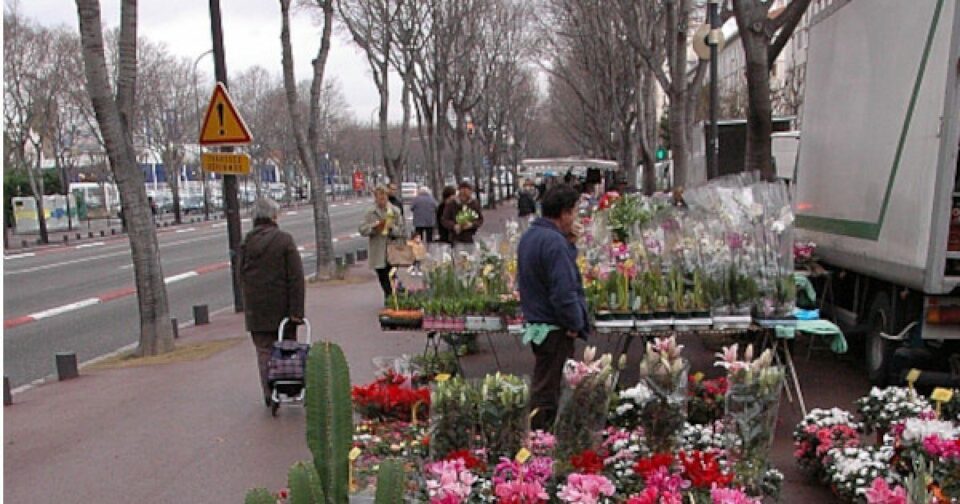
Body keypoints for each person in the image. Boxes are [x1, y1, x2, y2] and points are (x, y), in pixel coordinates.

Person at [516, 184, 589, 430]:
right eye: (574, 212)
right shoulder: (553, 243)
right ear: (564, 213)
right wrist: (574, 323)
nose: (575, 219)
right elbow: (563, 291)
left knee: (545, 380)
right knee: (550, 388)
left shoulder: (531, 237)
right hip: (554, 327)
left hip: (538, 323)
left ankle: (539, 434)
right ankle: (541, 437)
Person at [237, 197, 305, 406]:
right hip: (283, 308)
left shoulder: (247, 242)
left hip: (257, 310)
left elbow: (241, 275)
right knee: (287, 348)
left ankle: (269, 392)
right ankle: (290, 388)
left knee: (264, 351)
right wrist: (297, 311)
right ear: (274, 216)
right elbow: (296, 278)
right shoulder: (284, 240)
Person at [359, 185, 406, 300]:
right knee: (382, 274)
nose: (382, 200)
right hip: (378, 248)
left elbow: (402, 230)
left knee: (391, 273)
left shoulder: (394, 211)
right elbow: (362, 229)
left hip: (392, 248)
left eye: (384, 197)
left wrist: (391, 228)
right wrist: (373, 228)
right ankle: (390, 295)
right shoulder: (370, 212)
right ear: (375, 198)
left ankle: (391, 297)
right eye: (379, 197)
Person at [442, 181, 484, 248]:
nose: (464, 195)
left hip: (471, 238)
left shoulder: (474, 204)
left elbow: (480, 219)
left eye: (467, 193)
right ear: (459, 192)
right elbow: (444, 220)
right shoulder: (451, 204)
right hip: (455, 238)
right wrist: (454, 226)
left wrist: (472, 224)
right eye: (462, 193)